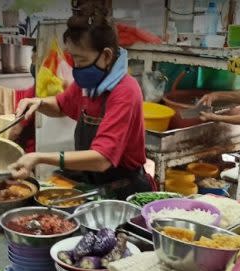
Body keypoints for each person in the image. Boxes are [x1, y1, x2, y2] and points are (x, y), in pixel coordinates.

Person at [8, 4, 153, 199]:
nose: (76, 68)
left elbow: (102, 159)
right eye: (73, 60)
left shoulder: (125, 91)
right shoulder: (89, 83)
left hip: (123, 191)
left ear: (107, 56)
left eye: (82, 61)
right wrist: (38, 103)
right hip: (93, 183)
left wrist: (39, 157)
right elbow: (60, 106)